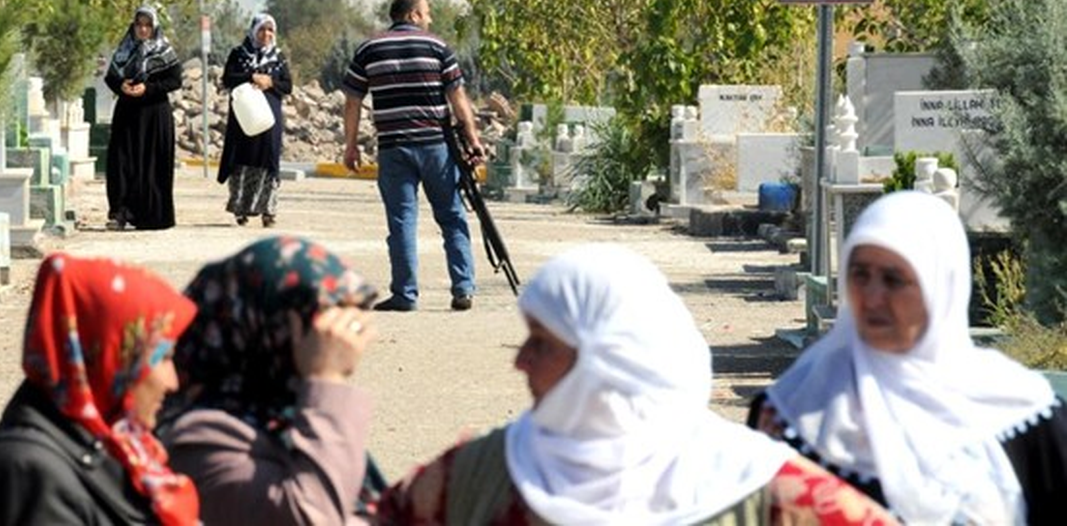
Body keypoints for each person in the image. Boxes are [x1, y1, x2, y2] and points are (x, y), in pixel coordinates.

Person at [378, 244, 898, 525]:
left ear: (607, 360)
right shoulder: (476, 477)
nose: (520, 361)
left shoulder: (768, 496)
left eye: (541, 342)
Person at [750, 190, 1067, 525]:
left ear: (940, 286)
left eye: (893, 280)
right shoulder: (790, 414)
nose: (872, 297)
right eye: (860, 274)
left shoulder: (1022, 414)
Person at [0, 252, 199, 526]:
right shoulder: (29, 475)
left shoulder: (120, 446)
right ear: (113, 356)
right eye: (162, 358)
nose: (172, 382)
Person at [157, 235, 385, 526]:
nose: (342, 342)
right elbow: (311, 518)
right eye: (322, 328)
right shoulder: (202, 439)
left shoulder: (284, 415)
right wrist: (326, 377)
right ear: (265, 325)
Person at [342, 0, 482, 312]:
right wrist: (472, 139)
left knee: (402, 221)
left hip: (393, 148)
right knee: (452, 216)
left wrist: (350, 145)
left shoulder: (368, 49)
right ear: (413, 15)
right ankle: (463, 288)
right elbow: (458, 99)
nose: (430, 19)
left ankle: (405, 295)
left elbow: (353, 102)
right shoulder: (438, 47)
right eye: (427, 13)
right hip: (437, 148)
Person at [104, 5, 182, 230]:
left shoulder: (164, 50)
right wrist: (121, 86)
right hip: (128, 113)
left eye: (148, 25)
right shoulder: (124, 48)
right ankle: (120, 212)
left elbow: (175, 80)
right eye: (139, 24)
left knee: (151, 163)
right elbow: (111, 77)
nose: (143, 29)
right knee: (121, 161)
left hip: (155, 115)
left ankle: (151, 215)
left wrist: (147, 89)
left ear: (154, 26)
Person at [217, 13, 293, 227]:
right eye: (262, 29)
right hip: (244, 117)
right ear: (253, 30)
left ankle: (268, 211)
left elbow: (288, 86)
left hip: (269, 119)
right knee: (241, 156)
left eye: (270, 30)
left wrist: (270, 82)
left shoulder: (278, 57)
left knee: (268, 159)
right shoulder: (238, 54)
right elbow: (228, 79)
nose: (266, 34)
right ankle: (240, 208)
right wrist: (251, 76)